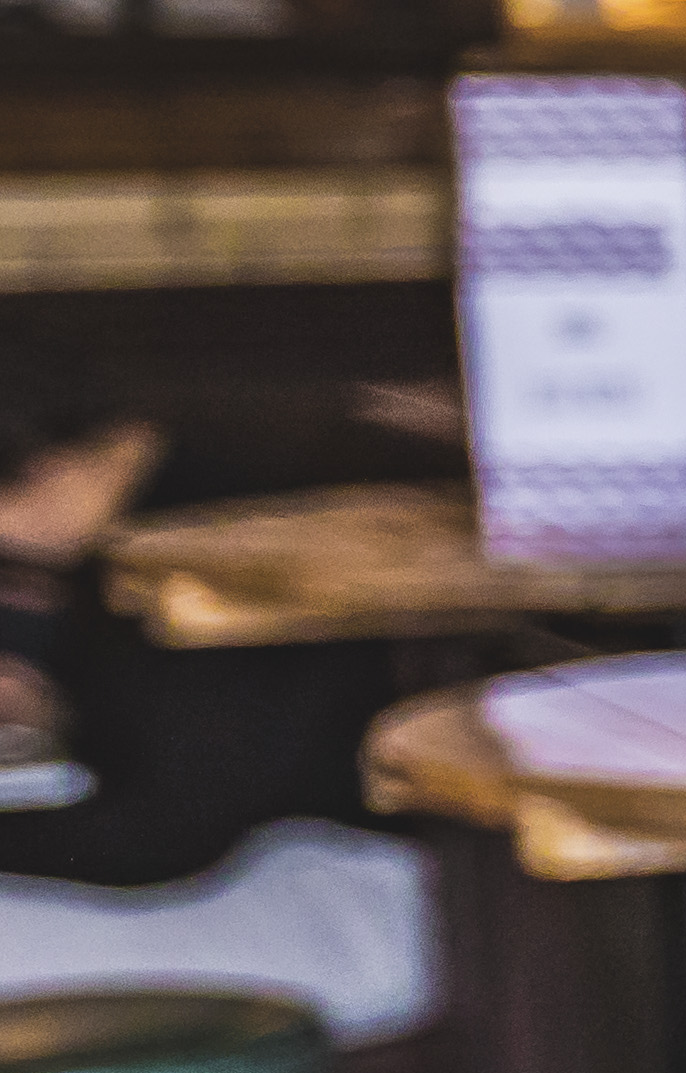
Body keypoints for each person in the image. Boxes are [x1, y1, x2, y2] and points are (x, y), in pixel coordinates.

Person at [0, 384, 435, 1038]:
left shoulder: (222, 532)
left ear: (37, 462)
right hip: (277, 860)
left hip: (365, 894)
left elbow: (160, 835)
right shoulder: (152, 510)